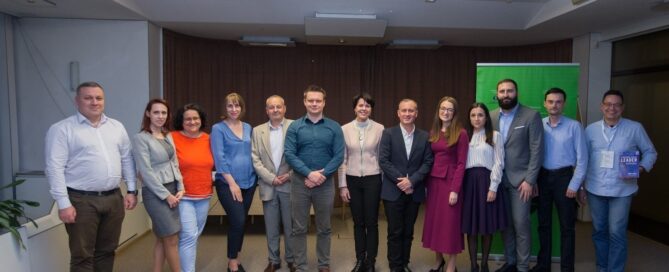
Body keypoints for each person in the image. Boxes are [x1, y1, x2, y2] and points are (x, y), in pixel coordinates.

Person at [45, 81, 137, 272]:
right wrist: (63, 203)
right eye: (88, 98)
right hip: (81, 201)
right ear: (77, 101)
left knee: (107, 251)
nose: (94, 102)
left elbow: (127, 159)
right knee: (82, 256)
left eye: (98, 98)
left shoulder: (116, 126)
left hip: (113, 198)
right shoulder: (62, 129)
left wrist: (131, 189)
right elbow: (54, 168)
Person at [584, 90, 657, 272]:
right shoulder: (590, 130)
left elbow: (650, 152)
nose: (612, 108)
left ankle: (615, 270)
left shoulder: (635, 128)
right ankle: (602, 267)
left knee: (616, 233)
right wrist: (580, 186)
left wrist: (640, 167)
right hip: (595, 188)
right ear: (602, 106)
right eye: (608, 104)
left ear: (622, 107)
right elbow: (583, 158)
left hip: (622, 190)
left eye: (616, 104)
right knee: (599, 232)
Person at [284, 85, 345, 272]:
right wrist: (309, 174)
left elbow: (339, 155)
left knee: (324, 227)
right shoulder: (295, 127)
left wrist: (322, 175)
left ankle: (323, 264)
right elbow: (289, 154)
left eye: (318, 100)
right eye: (310, 100)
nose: (314, 104)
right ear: (304, 102)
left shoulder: (334, 127)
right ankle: (301, 265)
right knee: (299, 228)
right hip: (299, 184)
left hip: (325, 185)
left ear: (324, 102)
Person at [530, 88, 588, 272]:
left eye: (558, 102)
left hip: (565, 178)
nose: (554, 105)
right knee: (543, 225)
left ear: (564, 104)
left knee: (567, 228)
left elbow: (583, 159)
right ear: (544, 103)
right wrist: (533, 181)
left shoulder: (574, 126)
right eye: (551, 101)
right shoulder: (538, 124)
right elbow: (532, 154)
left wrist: (575, 185)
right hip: (543, 178)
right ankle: (543, 265)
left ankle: (566, 268)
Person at [490, 79, 544, 272]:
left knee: (521, 224)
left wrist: (530, 180)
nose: (506, 94)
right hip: (497, 180)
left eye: (510, 91)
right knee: (505, 225)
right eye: (502, 91)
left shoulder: (531, 115)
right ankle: (511, 262)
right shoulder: (491, 116)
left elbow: (537, 150)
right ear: (497, 94)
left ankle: (522, 266)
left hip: (521, 181)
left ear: (516, 92)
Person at [379, 99, 434, 272]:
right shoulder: (388, 133)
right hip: (393, 191)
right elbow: (384, 160)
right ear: (398, 113)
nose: (407, 114)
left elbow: (428, 162)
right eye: (404, 110)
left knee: (408, 232)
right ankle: (395, 266)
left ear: (416, 113)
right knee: (395, 231)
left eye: (411, 111)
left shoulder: (425, 136)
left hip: (414, 190)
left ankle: (404, 262)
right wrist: (402, 181)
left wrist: (413, 181)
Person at [132, 98, 184, 272]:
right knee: (171, 239)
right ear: (148, 114)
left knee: (162, 238)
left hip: (173, 188)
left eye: (164, 112)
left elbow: (175, 163)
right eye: (156, 112)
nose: (160, 116)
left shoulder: (167, 135)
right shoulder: (141, 138)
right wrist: (166, 195)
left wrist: (181, 187)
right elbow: (145, 172)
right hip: (156, 193)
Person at [338, 93, 385, 272]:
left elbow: (382, 159)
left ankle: (371, 261)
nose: (364, 108)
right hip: (352, 179)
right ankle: (360, 259)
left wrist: (383, 184)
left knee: (371, 222)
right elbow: (342, 159)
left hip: (374, 179)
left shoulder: (380, 128)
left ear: (371, 109)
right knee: (358, 222)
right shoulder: (344, 129)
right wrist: (342, 185)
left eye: (367, 106)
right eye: (360, 105)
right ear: (354, 108)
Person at [211, 92, 257, 272]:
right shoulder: (218, 128)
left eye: (237, 105)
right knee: (237, 220)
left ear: (242, 108)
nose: (234, 109)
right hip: (228, 183)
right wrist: (232, 183)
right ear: (225, 108)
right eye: (230, 106)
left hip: (250, 181)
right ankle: (232, 262)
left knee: (242, 221)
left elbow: (253, 153)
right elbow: (219, 158)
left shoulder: (248, 127)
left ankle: (236, 257)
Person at [422, 97, 469, 272]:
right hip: (434, 183)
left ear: (455, 112)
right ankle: (438, 260)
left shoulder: (461, 133)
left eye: (449, 109)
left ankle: (451, 264)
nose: (446, 112)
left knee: (450, 225)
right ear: (438, 110)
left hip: (450, 184)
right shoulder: (434, 131)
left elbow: (461, 164)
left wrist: (455, 190)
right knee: (436, 223)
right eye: (443, 108)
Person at [251, 95, 295, 272]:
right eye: (271, 107)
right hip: (269, 186)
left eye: (278, 107)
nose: (275, 110)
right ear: (266, 110)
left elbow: (301, 155)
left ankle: (292, 259)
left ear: (284, 108)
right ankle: (274, 260)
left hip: (289, 184)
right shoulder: (257, 131)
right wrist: (271, 178)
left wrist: (290, 175)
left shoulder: (295, 126)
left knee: (291, 226)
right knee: (271, 226)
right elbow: (255, 159)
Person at [462, 103, 507, 272]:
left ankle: (485, 263)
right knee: (471, 226)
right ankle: (473, 264)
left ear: (486, 117)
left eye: (480, 115)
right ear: (469, 117)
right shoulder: (464, 136)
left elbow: (499, 162)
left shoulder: (495, 136)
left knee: (486, 226)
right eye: (473, 115)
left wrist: (493, 187)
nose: (476, 118)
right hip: (468, 184)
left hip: (486, 182)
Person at [170, 103, 214, 272]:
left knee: (194, 236)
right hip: (183, 196)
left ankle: (183, 267)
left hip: (204, 195)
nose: (192, 121)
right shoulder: (172, 137)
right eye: (187, 118)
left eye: (195, 118)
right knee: (188, 235)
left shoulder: (208, 138)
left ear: (201, 120)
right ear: (181, 121)